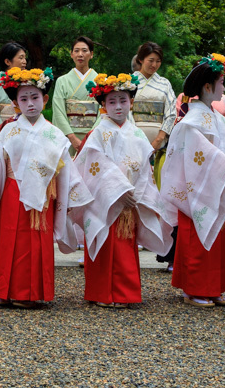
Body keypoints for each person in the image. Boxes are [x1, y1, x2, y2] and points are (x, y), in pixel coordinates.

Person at [0, 66, 88, 308]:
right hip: (12, 193)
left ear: (45, 99)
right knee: (11, 239)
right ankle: (7, 291)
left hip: (43, 195)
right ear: (16, 103)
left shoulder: (54, 133)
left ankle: (34, 292)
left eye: (35, 97)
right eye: (24, 99)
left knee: (38, 241)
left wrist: (68, 196)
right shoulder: (8, 130)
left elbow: (66, 169)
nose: (30, 104)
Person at [160, 55, 225, 308]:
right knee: (196, 237)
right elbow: (200, 156)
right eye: (221, 83)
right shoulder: (191, 121)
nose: (224, 88)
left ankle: (213, 287)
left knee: (215, 237)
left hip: (216, 184)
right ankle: (194, 289)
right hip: (197, 187)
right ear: (208, 87)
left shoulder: (217, 118)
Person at [73, 72, 172, 308]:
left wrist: (136, 192)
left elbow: (144, 168)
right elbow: (93, 165)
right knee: (107, 243)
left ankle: (125, 293)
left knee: (125, 247)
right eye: (112, 102)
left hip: (131, 201)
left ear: (132, 102)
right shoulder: (98, 133)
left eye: (123, 100)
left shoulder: (136, 133)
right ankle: (102, 293)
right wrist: (119, 190)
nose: (118, 106)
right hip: (105, 201)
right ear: (103, 106)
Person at [131, 42, 176, 180]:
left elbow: (171, 113)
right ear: (141, 59)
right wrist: (132, 134)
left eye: (158, 61)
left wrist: (159, 138)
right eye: (150, 60)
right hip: (133, 139)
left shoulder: (164, 83)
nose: (154, 65)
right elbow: (125, 111)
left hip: (158, 141)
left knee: (157, 182)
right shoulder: (129, 82)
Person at [52, 36, 100, 151]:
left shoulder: (100, 81)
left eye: (84, 50)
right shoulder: (62, 81)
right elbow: (58, 111)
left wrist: (92, 136)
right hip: (68, 136)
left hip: (93, 136)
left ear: (91, 54)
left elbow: (103, 111)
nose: (80, 54)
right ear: (71, 54)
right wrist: (71, 137)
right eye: (76, 51)